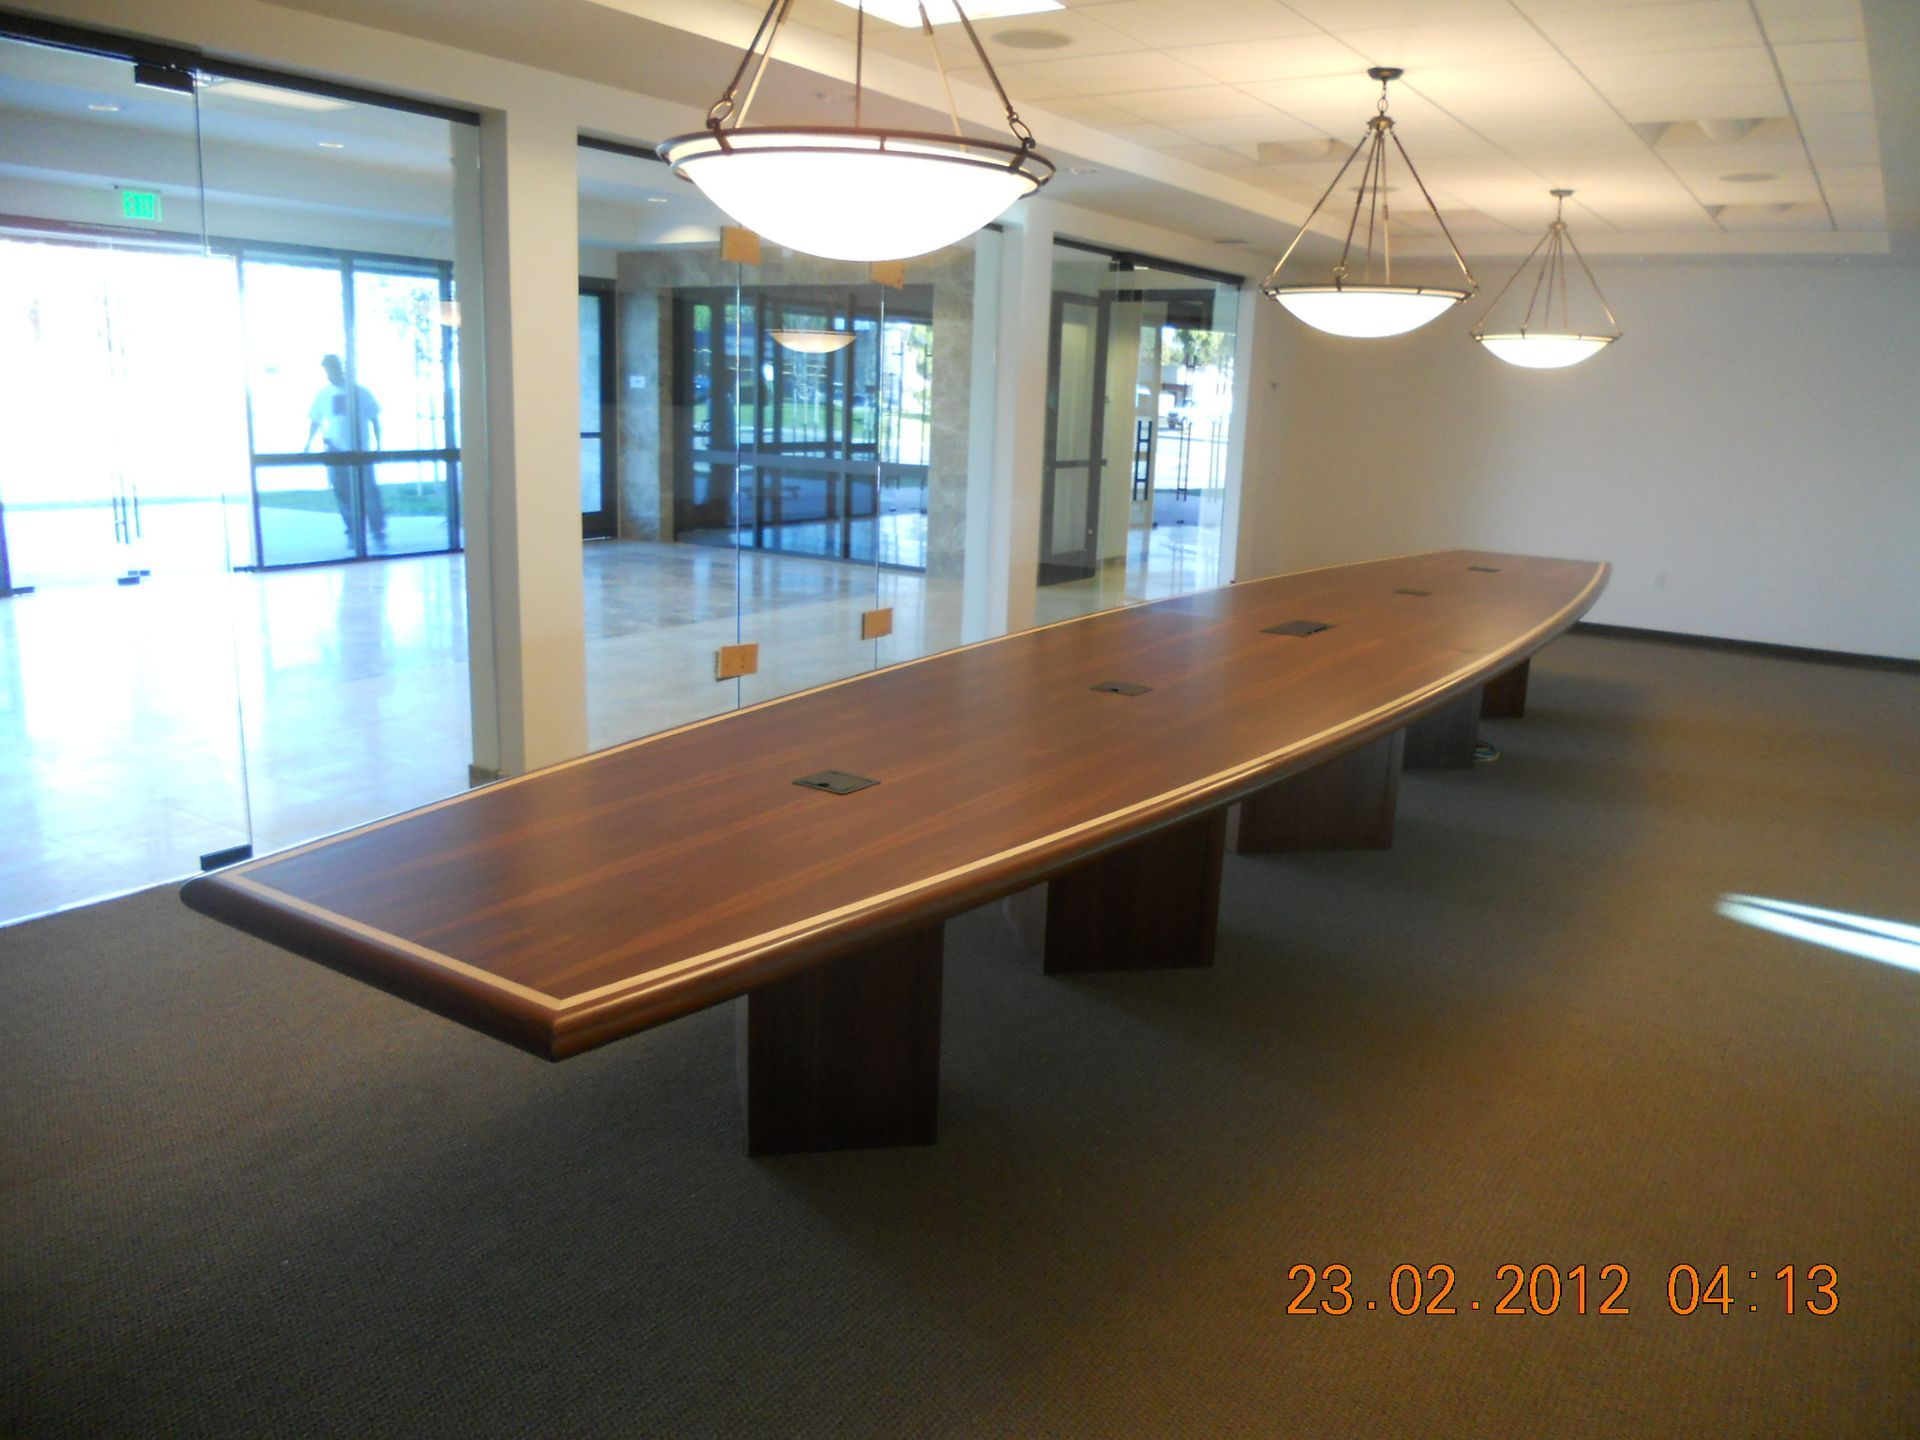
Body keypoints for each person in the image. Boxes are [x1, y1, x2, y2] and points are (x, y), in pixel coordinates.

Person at [304, 353, 386, 546]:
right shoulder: (324, 395)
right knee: (342, 492)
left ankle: (377, 532)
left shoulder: (361, 393)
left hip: (360, 450)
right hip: (334, 449)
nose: (329, 375)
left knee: (368, 492)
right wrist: (307, 444)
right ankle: (353, 532)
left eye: (332, 370)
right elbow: (315, 420)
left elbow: (374, 419)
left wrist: (379, 445)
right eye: (327, 371)